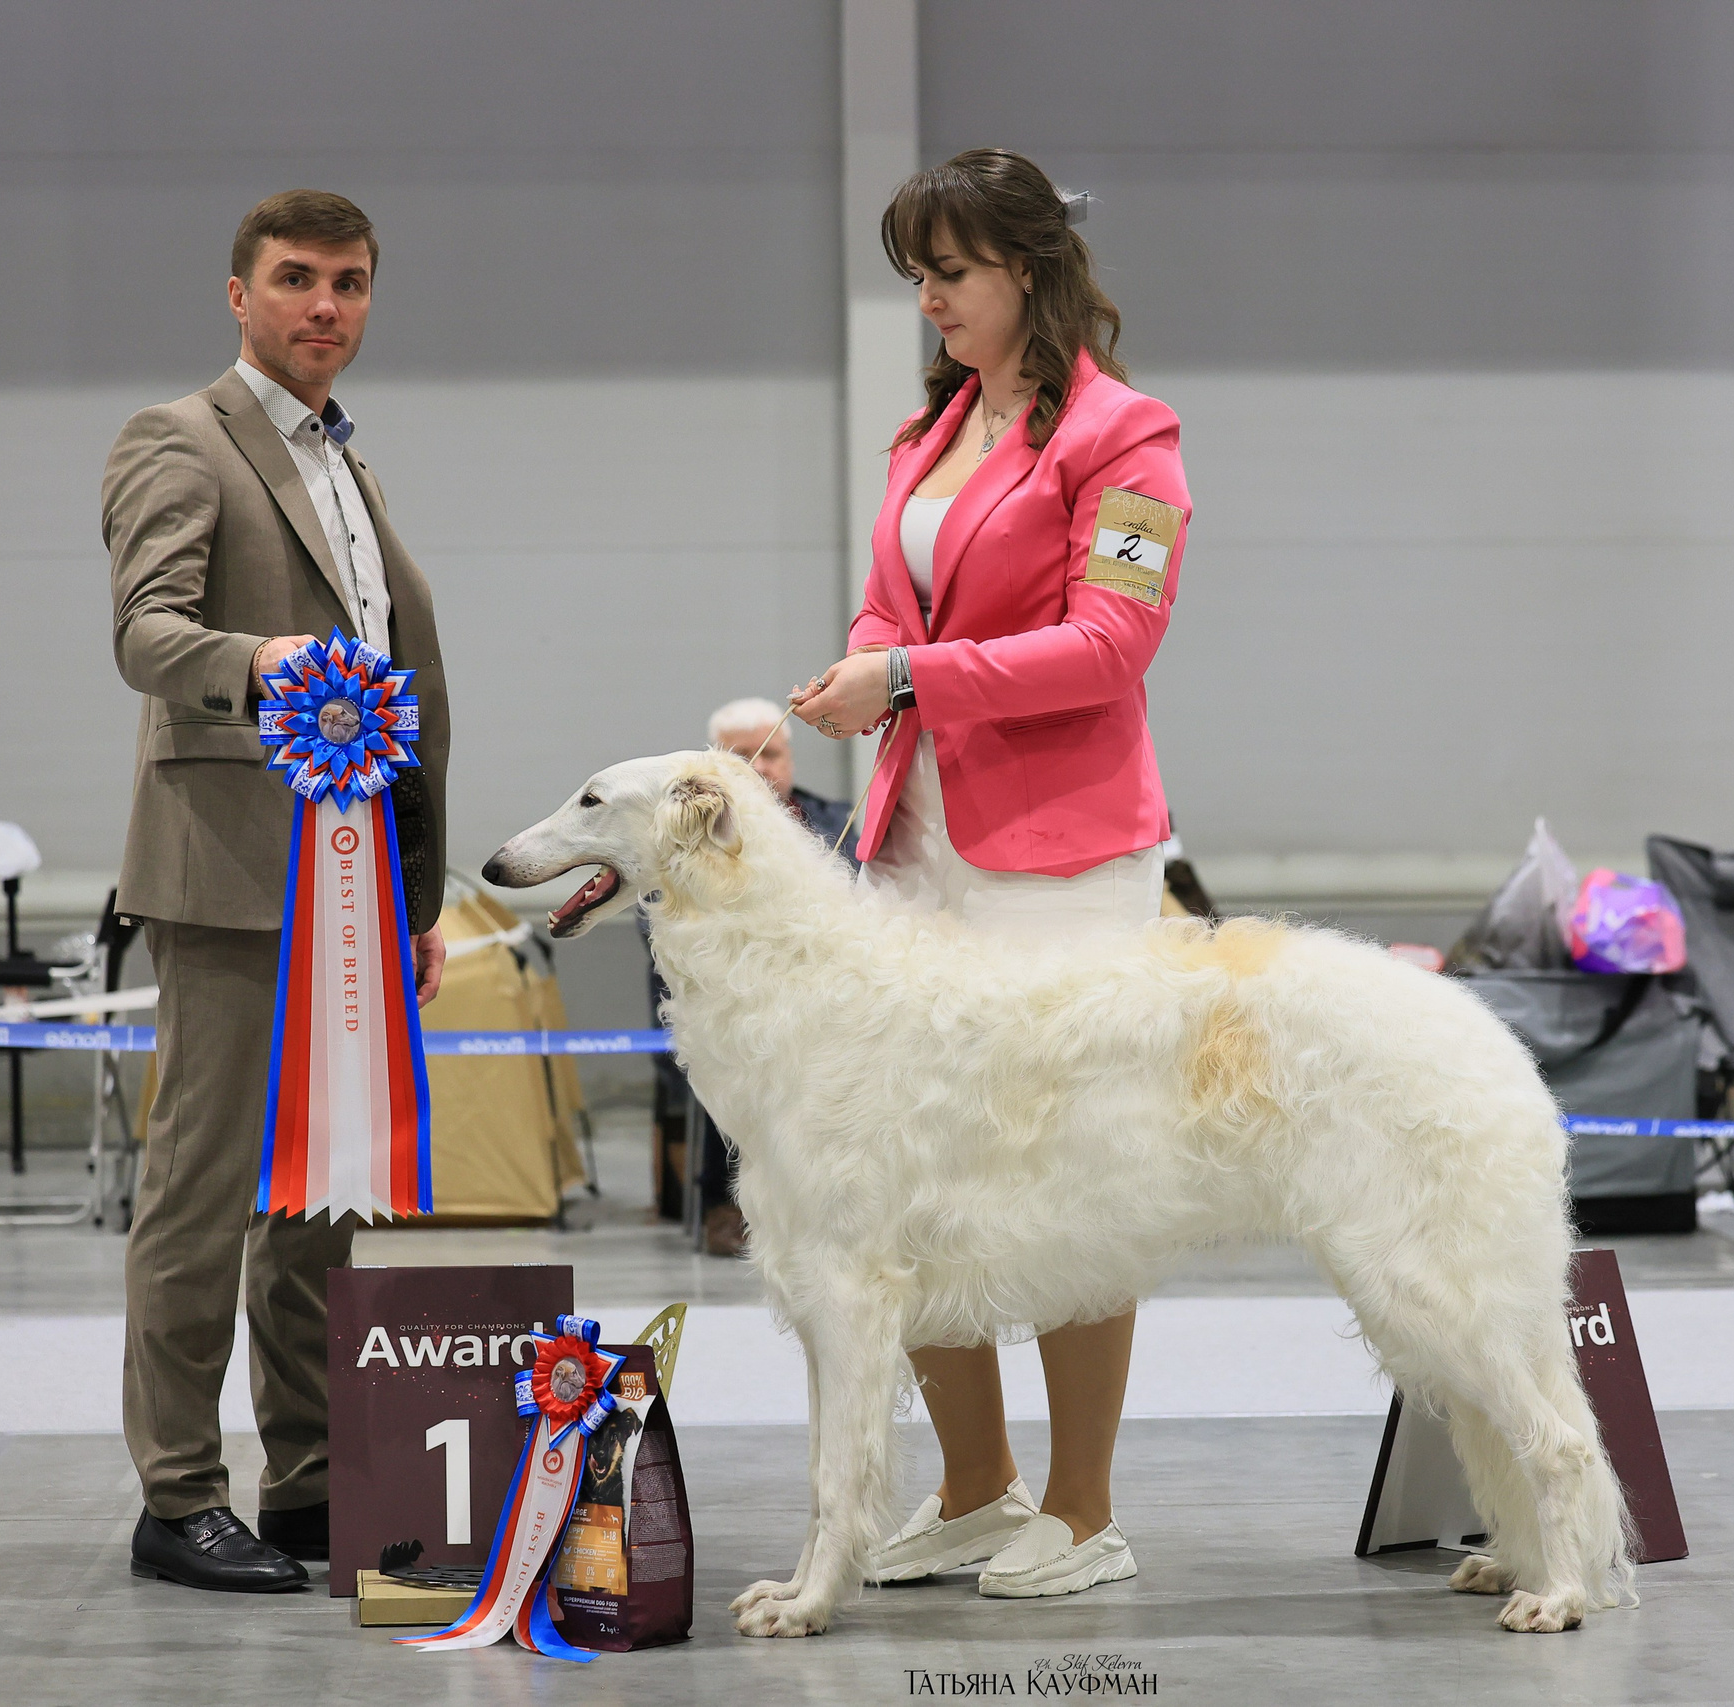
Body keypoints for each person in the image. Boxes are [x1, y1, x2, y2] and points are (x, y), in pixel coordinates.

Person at [788, 147, 1190, 1600]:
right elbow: (887, 603)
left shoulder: (1127, 434)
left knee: (1073, 1170)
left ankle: (1082, 1511)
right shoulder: (931, 427)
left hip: (1065, 859)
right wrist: (863, 665)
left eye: (950, 272)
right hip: (912, 841)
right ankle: (972, 1486)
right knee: (911, 1165)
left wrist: (908, 675)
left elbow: (1112, 643)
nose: (929, 300)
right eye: (916, 275)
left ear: (1028, 265)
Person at [104, 190, 450, 1593]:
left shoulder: (345, 462)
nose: (327, 305)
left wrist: (414, 897)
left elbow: (398, 685)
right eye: (298, 278)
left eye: (350, 282)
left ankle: (307, 1482)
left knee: (328, 1192)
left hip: (353, 880)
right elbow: (147, 632)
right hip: (233, 872)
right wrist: (259, 662)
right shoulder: (179, 437)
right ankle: (177, 1494)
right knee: (200, 1192)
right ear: (238, 294)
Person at [644, 698, 850, 1256]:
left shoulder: (840, 823)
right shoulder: (684, 836)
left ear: (790, 759)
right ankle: (725, 1205)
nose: (760, 768)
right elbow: (664, 930)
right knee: (734, 1060)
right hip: (737, 1002)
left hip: (829, 1003)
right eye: (742, 757)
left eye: (771, 754)